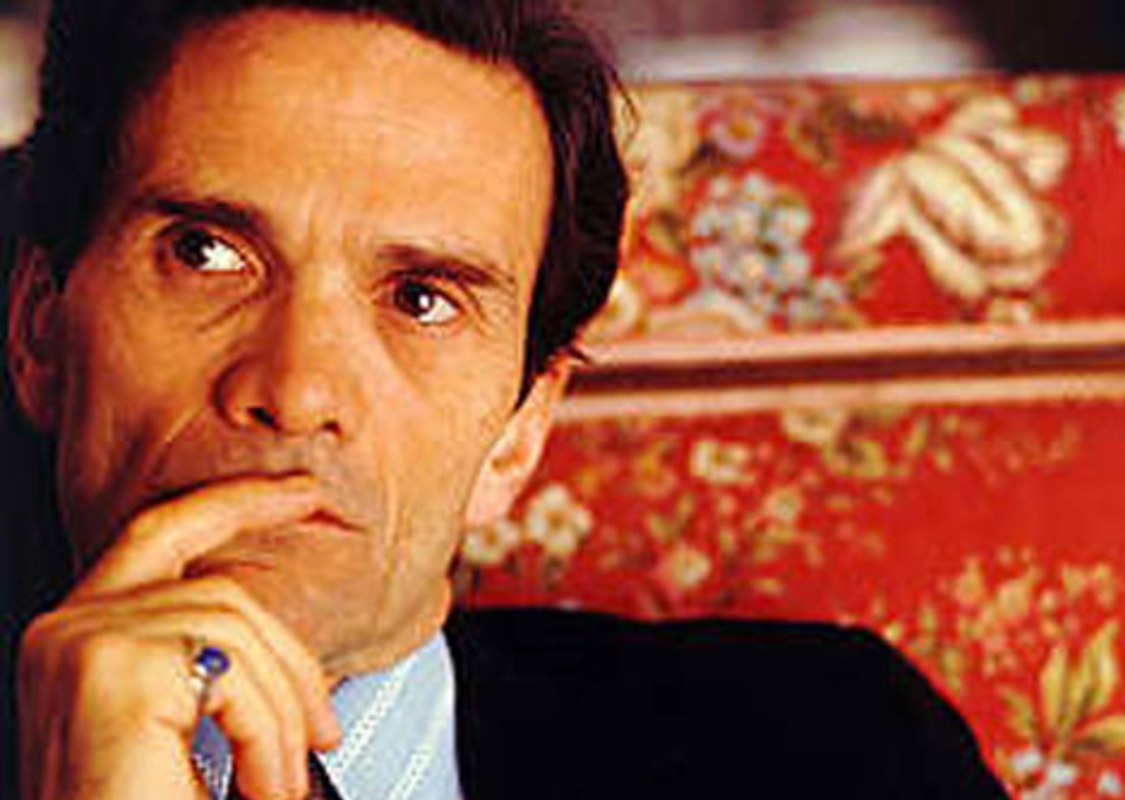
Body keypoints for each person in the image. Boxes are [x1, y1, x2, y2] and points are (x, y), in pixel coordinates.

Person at [0, 1, 1011, 798]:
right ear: (40, 330)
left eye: (421, 299)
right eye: (205, 253)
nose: (297, 391)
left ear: (520, 435)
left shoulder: (844, 749)